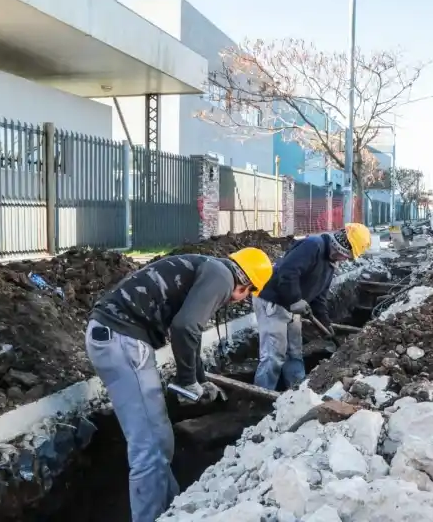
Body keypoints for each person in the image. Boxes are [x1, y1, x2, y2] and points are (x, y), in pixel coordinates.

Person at [85, 247, 273, 522]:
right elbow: (185, 327)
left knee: (161, 440)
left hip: (117, 336)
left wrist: (200, 379)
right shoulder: (222, 278)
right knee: (149, 447)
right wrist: (187, 382)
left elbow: (189, 333)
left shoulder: (211, 268)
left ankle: (172, 509)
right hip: (122, 340)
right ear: (246, 285)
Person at [253, 223, 371, 391]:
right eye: (349, 255)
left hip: (292, 305)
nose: (347, 259)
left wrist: (325, 323)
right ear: (343, 247)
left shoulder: (330, 263)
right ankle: (262, 394)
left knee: (294, 352)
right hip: (273, 301)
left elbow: (320, 297)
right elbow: (287, 272)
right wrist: (295, 299)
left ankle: (298, 391)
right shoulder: (313, 246)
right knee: (274, 355)